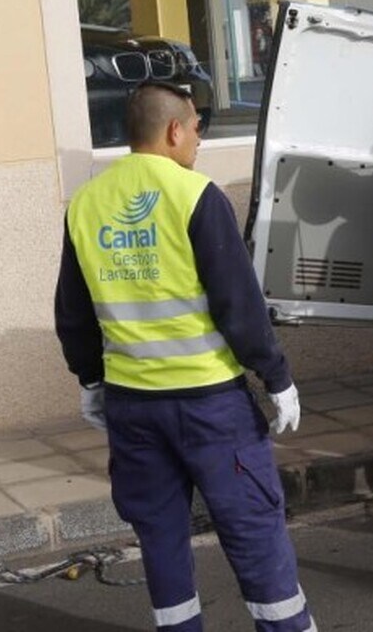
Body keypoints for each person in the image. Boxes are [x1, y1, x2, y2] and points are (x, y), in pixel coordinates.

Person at [54, 81, 315, 632]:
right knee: (252, 530)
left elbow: (74, 314)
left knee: (161, 537)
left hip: (133, 410)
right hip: (210, 408)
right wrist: (277, 377)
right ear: (174, 129)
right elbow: (238, 305)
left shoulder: (86, 204)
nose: (199, 138)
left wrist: (90, 382)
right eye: (198, 127)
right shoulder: (195, 195)